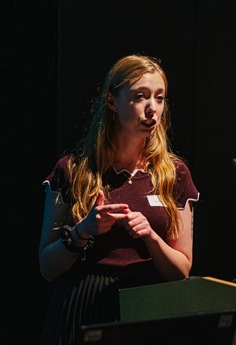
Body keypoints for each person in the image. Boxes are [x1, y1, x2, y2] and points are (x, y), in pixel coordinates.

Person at [38, 54, 200, 345]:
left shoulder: (174, 173)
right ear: (112, 102)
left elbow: (181, 271)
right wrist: (82, 231)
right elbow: (47, 267)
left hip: (147, 306)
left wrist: (151, 237)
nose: (153, 109)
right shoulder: (74, 170)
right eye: (140, 97)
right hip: (83, 305)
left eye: (160, 98)